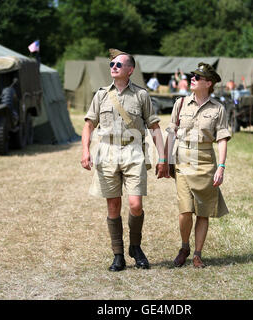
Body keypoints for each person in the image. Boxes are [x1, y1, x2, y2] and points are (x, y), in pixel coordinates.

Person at [81, 48, 168, 272]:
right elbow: (89, 124)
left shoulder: (141, 95)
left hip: (133, 153)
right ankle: (118, 254)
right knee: (113, 206)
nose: (113, 68)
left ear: (130, 70)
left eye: (118, 65)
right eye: (111, 65)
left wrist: (163, 157)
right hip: (107, 152)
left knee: (135, 205)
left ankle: (135, 247)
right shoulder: (101, 94)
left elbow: (155, 127)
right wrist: (85, 151)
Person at [164, 62, 231, 268]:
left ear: (208, 83)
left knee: (203, 211)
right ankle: (184, 247)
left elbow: (221, 139)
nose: (192, 79)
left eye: (198, 77)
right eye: (192, 76)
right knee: (185, 210)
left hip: (205, 162)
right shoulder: (181, 103)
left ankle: (197, 254)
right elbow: (171, 132)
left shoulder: (218, 109)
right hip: (183, 161)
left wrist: (221, 166)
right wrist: (164, 160)